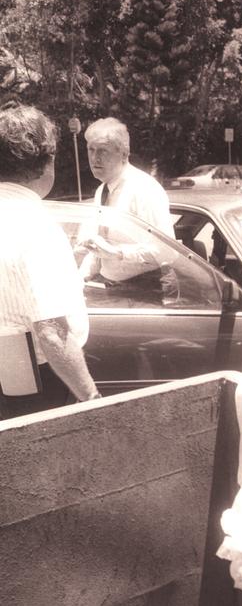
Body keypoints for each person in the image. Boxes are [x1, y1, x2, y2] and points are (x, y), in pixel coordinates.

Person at [0, 104, 99, 419]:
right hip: (30, 391)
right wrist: (91, 398)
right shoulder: (36, 226)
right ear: (47, 161)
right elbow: (52, 332)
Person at [78, 117, 177, 300]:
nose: (95, 158)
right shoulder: (102, 190)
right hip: (116, 289)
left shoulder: (144, 189)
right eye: (91, 150)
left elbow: (167, 250)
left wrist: (118, 253)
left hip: (147, 289)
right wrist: (80, 277)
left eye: (103, 151)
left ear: (124, 154)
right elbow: (100, 247)